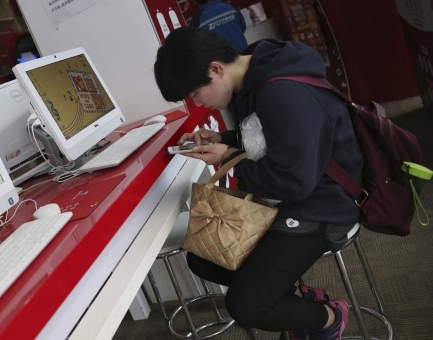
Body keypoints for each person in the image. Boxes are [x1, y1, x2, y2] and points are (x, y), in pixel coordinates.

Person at [154, 26, 363, 339]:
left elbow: (293, 181)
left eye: (196, 93)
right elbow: (271, 136)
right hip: (294, 198)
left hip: (322, 207)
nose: (199, 102)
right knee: (205, 257)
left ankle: (329, 317)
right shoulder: (255, 75)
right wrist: (226, 139)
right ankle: (293, 299)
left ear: (216, 69)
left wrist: (228, 159)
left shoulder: (283, 92)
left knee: (246, 306)